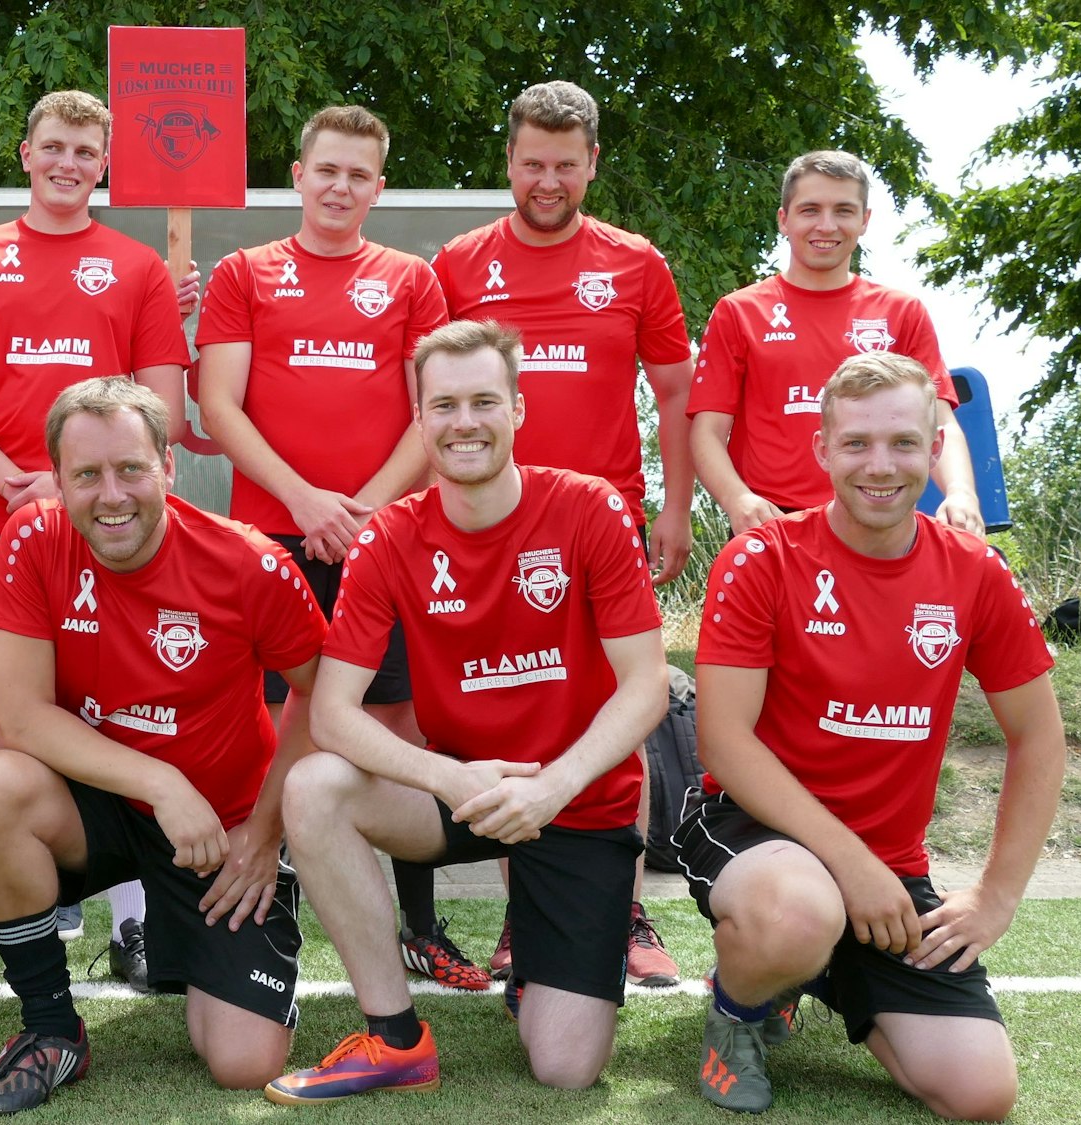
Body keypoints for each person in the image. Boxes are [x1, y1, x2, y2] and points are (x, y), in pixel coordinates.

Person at [268, 319, 669, 1103]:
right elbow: (335, 714)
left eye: (485, 400)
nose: (464, 422)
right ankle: (395, 1037)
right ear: (420, 422)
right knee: (314, 786)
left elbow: (647, 684)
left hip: (578, 804)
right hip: (465, 791)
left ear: (519, 409)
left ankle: (547, 962)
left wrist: (550, 787)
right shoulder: (389, 537)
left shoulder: (588, 509)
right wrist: (451, 778)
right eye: (443, 405)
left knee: (563, 1066)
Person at [679, 352, 1061, 1118]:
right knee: (797, 912)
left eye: (902, 444)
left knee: (978, 1094)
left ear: (932, 450)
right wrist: (849, 864)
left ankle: (816, 970)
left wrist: (995, 895)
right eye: (856, 443)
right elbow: (724, 742)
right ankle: (739, 1012)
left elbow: (1040, 739)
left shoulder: (974, 571)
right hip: (752, 831)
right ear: (821, 451)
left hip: (887, 867)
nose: (880, 465)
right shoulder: (764, 557)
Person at [0, 377, 325, 1114]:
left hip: (219, 830)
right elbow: (20, 718)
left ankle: (233, 953)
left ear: (168, 468)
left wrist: (264, 831)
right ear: (57, 479)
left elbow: (320, 694)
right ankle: (52, 1028)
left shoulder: (249, 563)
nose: (110, 494)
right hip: (97, 810)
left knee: (242, 1062)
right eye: (86, 474)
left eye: (130, 469)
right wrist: (160, 781)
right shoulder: (32, 538)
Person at [0, 90, 195, 992]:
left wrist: (84, 490)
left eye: (87, 151)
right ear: (26, 153)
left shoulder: (137, 267)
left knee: (121, 705)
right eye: (55, 147)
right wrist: (14, 481)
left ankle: (137, 922)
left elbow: (166, 414)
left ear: (103, 165)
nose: (70, 163)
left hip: (109, 527)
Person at [194, 106, 472, 985]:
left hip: (382, 535)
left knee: (396, 719)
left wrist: (360, 511)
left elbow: (433, 413)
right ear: (298, 174)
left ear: (378, 187)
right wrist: (304, 499)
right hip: (269, 532)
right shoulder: (245, 272)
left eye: (360, 175)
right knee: (271, 723)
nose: (341, 187)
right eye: (328, 170)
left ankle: (420, 926)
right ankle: (261, 891)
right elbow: (220, 405)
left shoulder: (412, 280)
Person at [429, 79, 692, 986]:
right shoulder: (459, 263)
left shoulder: (635, 262)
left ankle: (624, 908)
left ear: (591, 166)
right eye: (532, 163)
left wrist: (675, 501)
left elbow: (675, 393)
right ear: (509, 161)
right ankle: (522, 912)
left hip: (608, 518)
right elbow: (431, 402)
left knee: (625, 706)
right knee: (522, 711)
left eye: (565, 166)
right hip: (498, 530)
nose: (547, 181)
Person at [688, 150, 984, 538]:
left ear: (864, 221)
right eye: (810, 210)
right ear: (784, 219)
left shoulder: (902, 311)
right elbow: (707, 431)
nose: (826, 225)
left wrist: (962, 494)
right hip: (773, 524)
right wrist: (737, 499)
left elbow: (941, 420)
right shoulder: (739, 311)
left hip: (880, 521)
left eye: (843, 211)